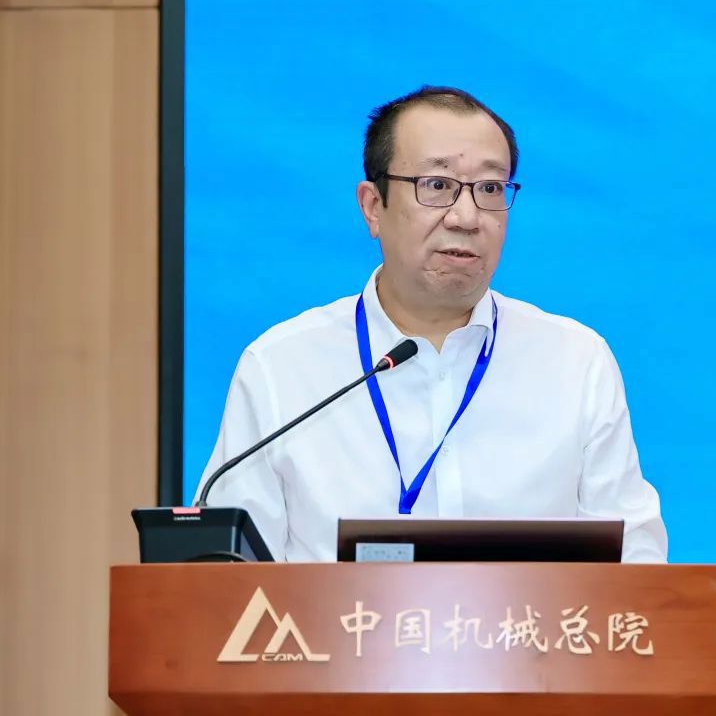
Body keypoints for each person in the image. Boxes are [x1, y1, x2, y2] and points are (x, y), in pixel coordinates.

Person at [195, 86, 667, 563]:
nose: (466, 217)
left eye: (490, 189)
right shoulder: (281, 367)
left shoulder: (575, 361)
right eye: (437, 185)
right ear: (373, 206)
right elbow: (226, 574)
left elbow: (638, 564)